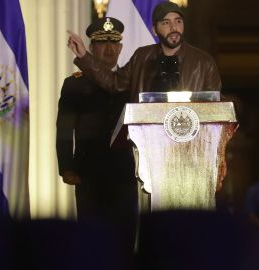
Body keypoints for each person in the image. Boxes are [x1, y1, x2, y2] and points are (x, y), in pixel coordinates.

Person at [56, 17, 138, 256]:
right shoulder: (74, 84)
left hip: (123, 170)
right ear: (91, 48)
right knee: (91, 239)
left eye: (114, 43)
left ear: (121, 48)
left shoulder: (129, 82)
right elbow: (63, 128)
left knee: (125, 237)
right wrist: (66, 167)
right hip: (88, 172)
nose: (109, 49)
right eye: (102, 44)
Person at [67, 1, 221, 102]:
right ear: (154, 30)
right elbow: (114, 83)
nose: (174, 28)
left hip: (189, 143)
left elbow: (216, 104)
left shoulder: (204, 62)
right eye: (166, 23)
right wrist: (84, 56)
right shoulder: (141, 57)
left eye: (178, 22)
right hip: (148, 143)